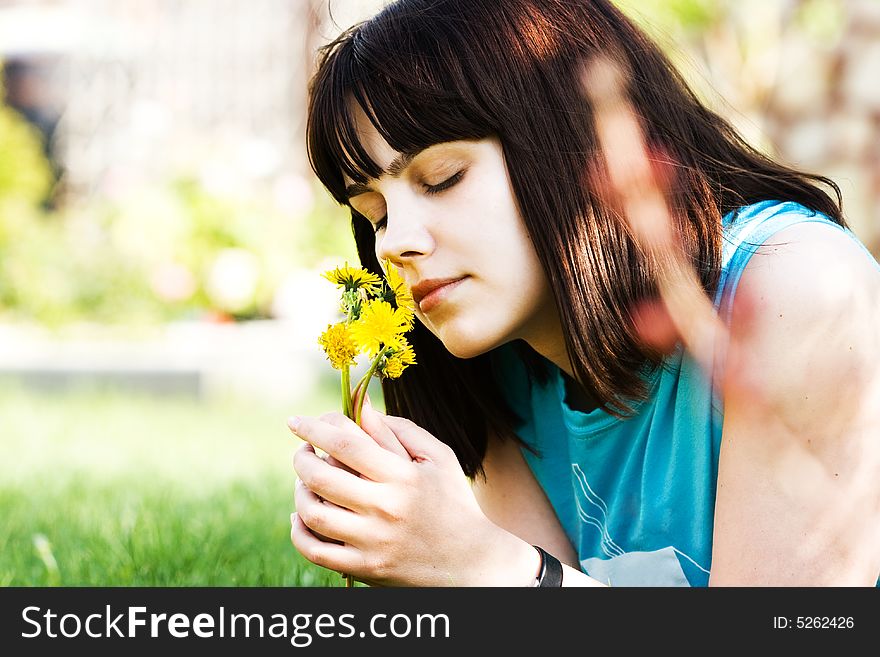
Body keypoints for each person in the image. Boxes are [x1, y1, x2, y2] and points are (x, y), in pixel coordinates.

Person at [288, 0, 880, 586]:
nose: (395, 243)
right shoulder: (493, 365)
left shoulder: (799, 291)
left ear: (568, 140)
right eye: (374, 213)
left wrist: (490, 569)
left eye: (443, 178)